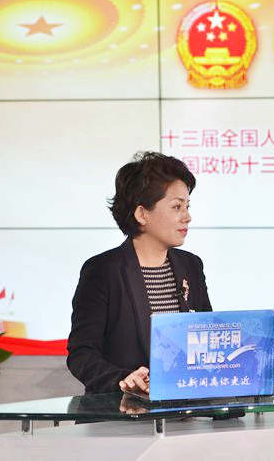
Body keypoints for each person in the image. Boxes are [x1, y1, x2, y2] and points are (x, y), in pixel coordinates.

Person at [67, 152, 212, 395]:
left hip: (184, 408)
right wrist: (123, 380)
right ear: (142, 214)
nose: (187, 216)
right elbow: (82, 354)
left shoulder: (191, 266)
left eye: (187, 206)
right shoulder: (103, 270)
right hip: (121, 410)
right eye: (177, 207)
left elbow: (206, 340)